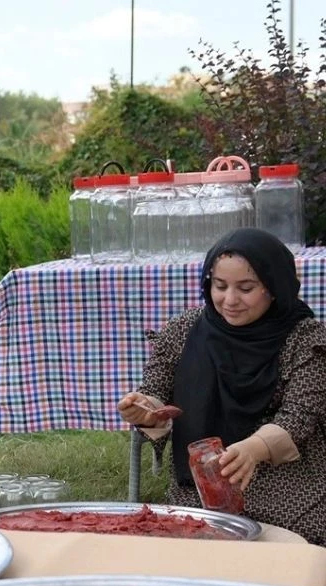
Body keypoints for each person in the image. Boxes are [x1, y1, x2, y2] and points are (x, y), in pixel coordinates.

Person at [118, 228, 326, 545]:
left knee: (297, 551)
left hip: (289, 487)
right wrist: (145, 410)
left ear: (274, 288)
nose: (229, 300)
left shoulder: (306, 339)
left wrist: (253, 450)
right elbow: (156, 392)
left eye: (246, 288)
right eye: (219, 286)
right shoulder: (183, 330)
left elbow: (299, 416)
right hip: (201, 489)